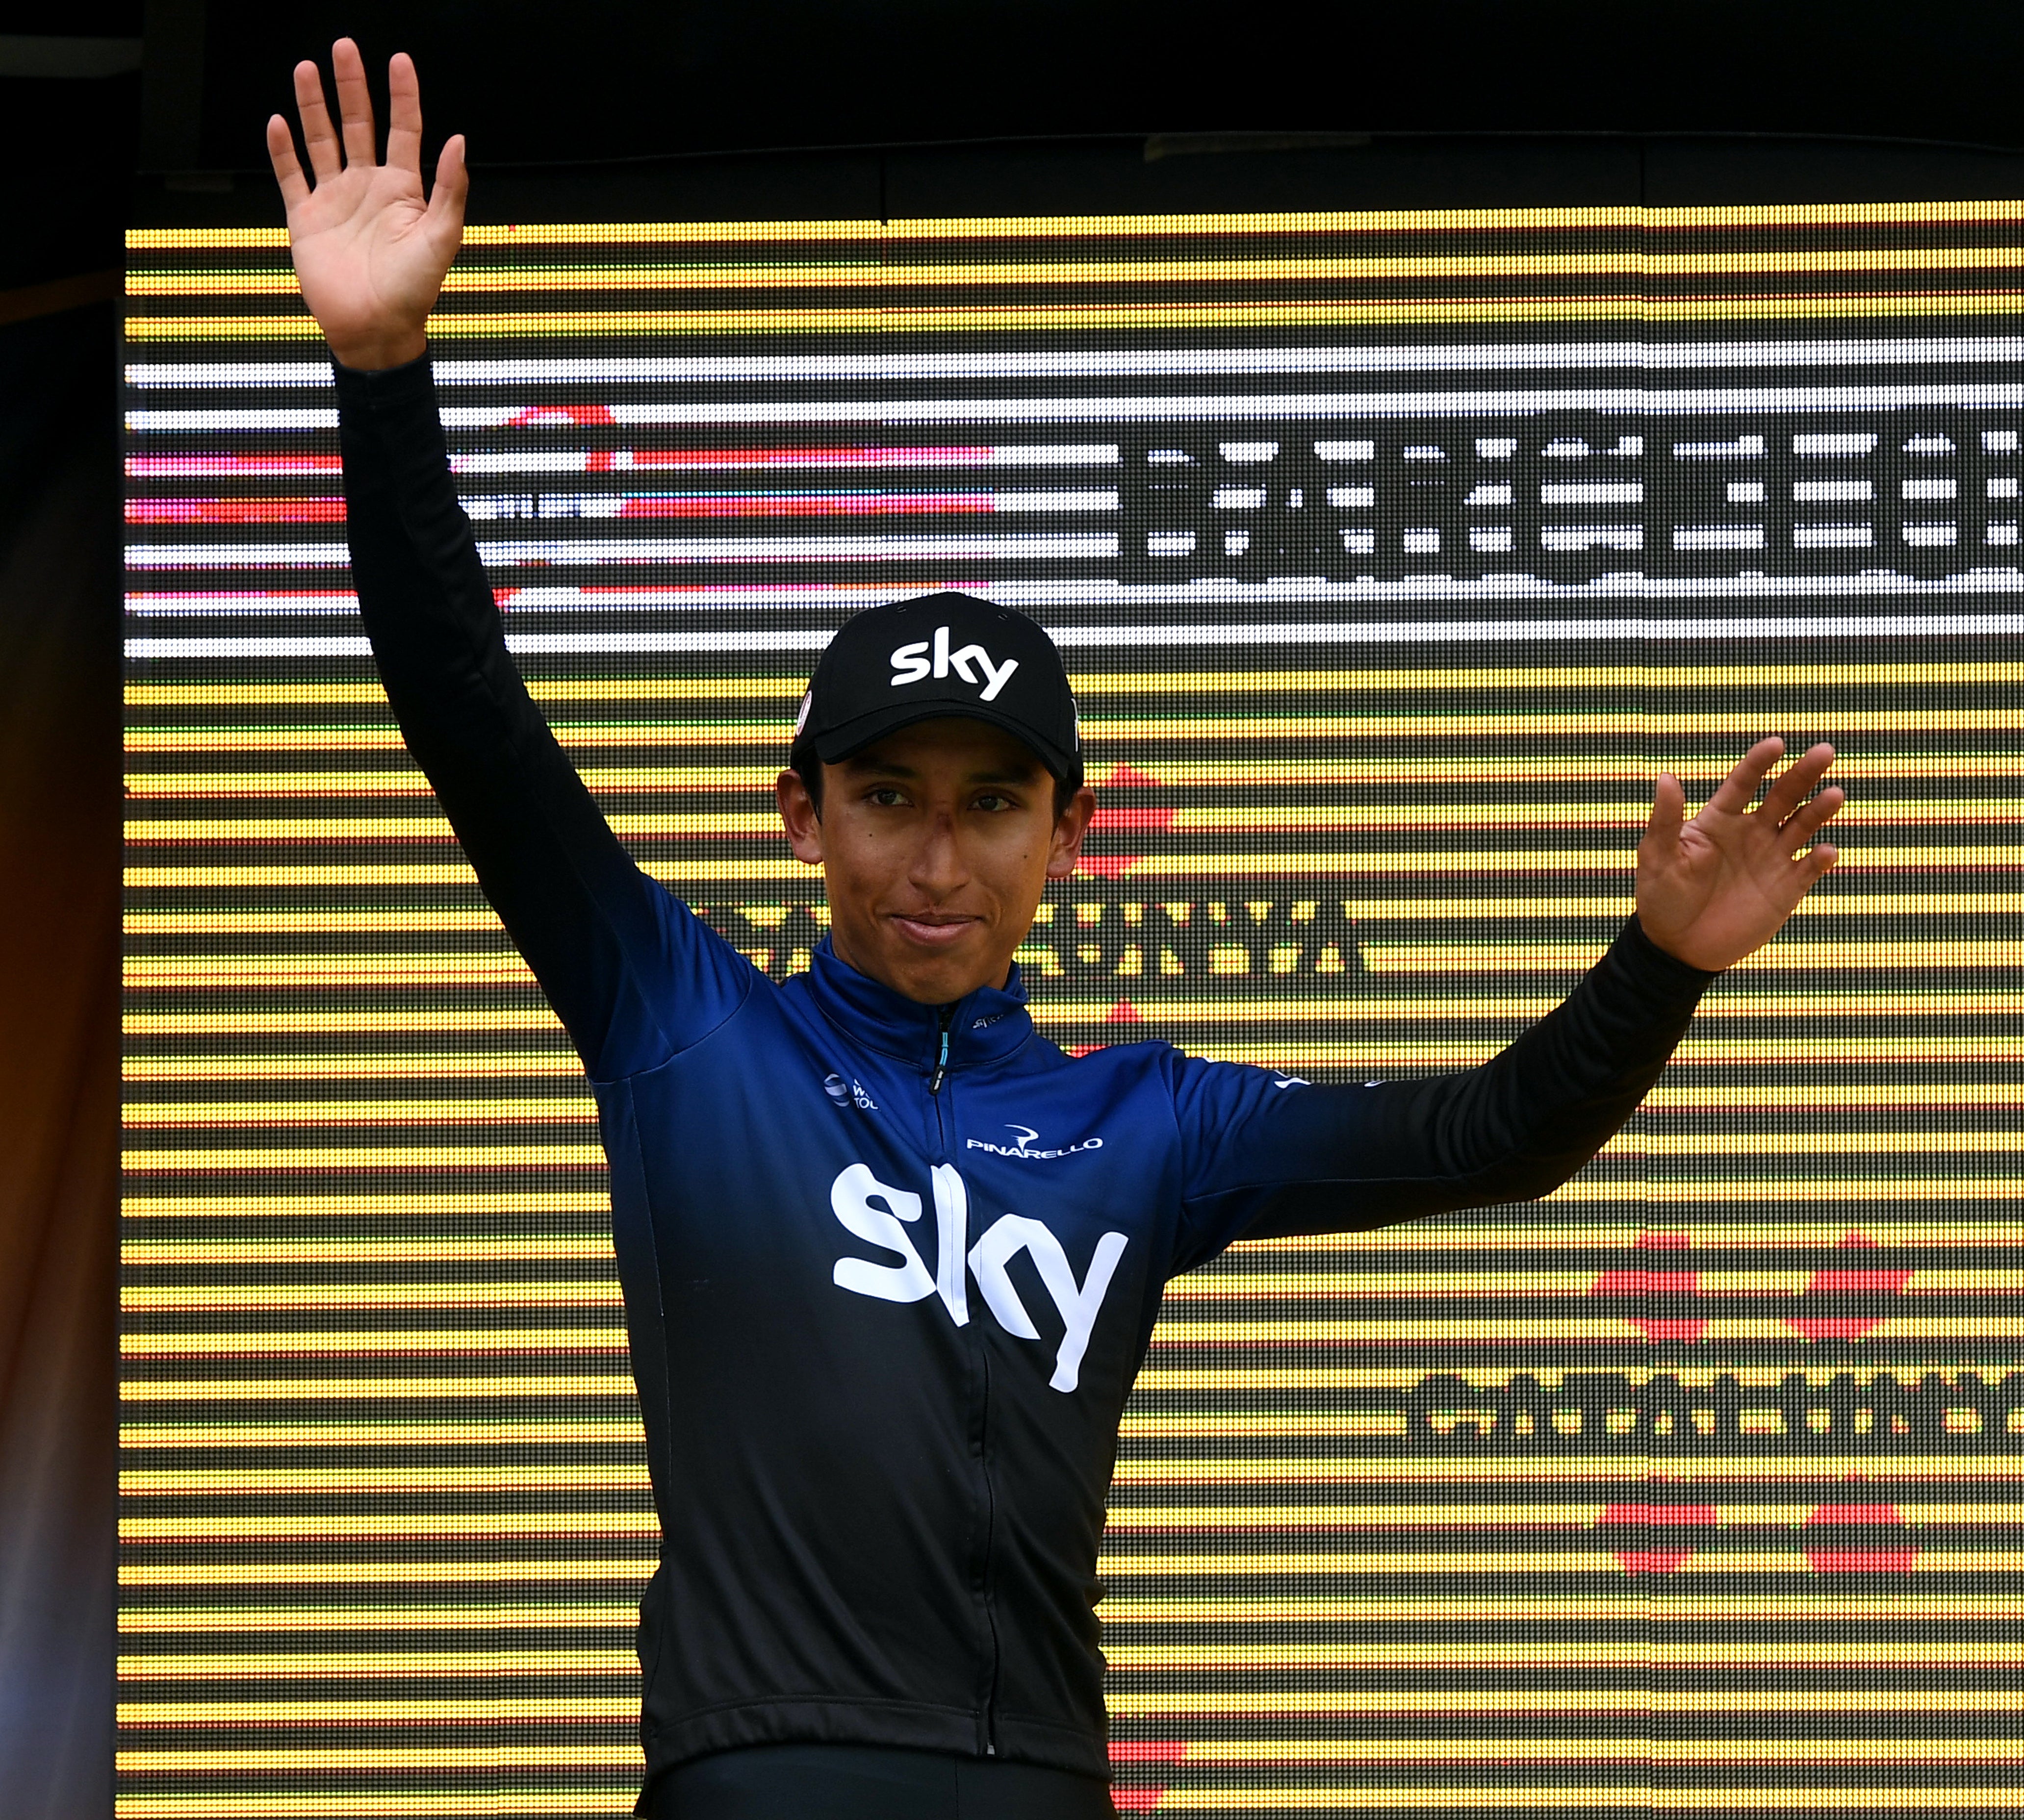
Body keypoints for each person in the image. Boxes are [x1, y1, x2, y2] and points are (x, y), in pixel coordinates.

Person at [267, 39, 1850, 1820]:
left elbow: (1496, 1134)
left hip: (1040, 1786)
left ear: (1068, 839)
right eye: (887, 798)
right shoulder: (685, 1022)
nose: (936, 859)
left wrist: (1661, 966)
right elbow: (469, 715)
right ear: (802, 819)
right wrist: (383, 373)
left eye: (993, 803)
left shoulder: (1148, 1122)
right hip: (759, 1778)